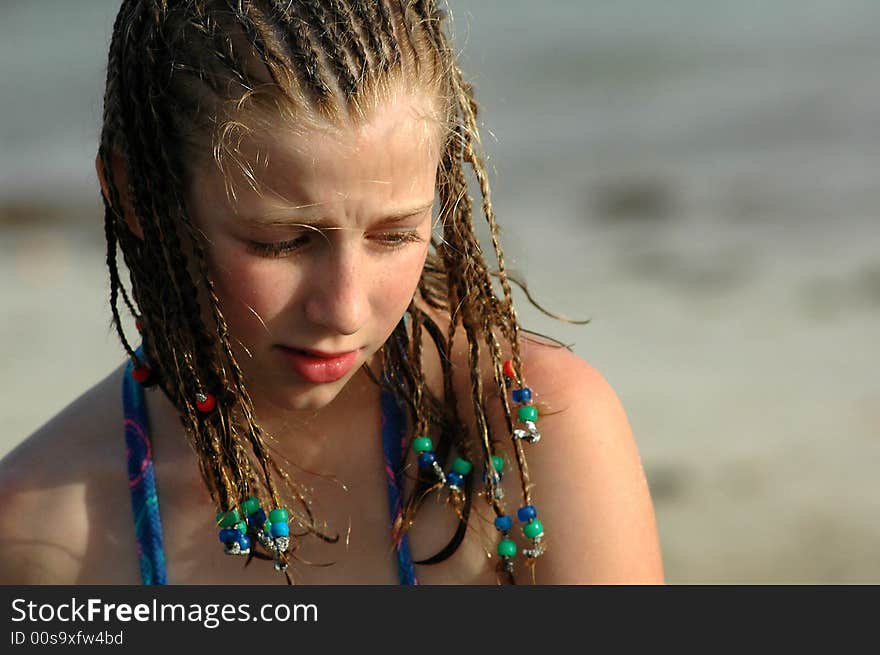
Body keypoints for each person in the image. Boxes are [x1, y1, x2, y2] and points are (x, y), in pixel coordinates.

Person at [0, 0, 663, 585]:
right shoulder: (33, 530)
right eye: (283, 242)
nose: (345, 309)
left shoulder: (537, 433)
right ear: (137, 194)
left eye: (396, 234)